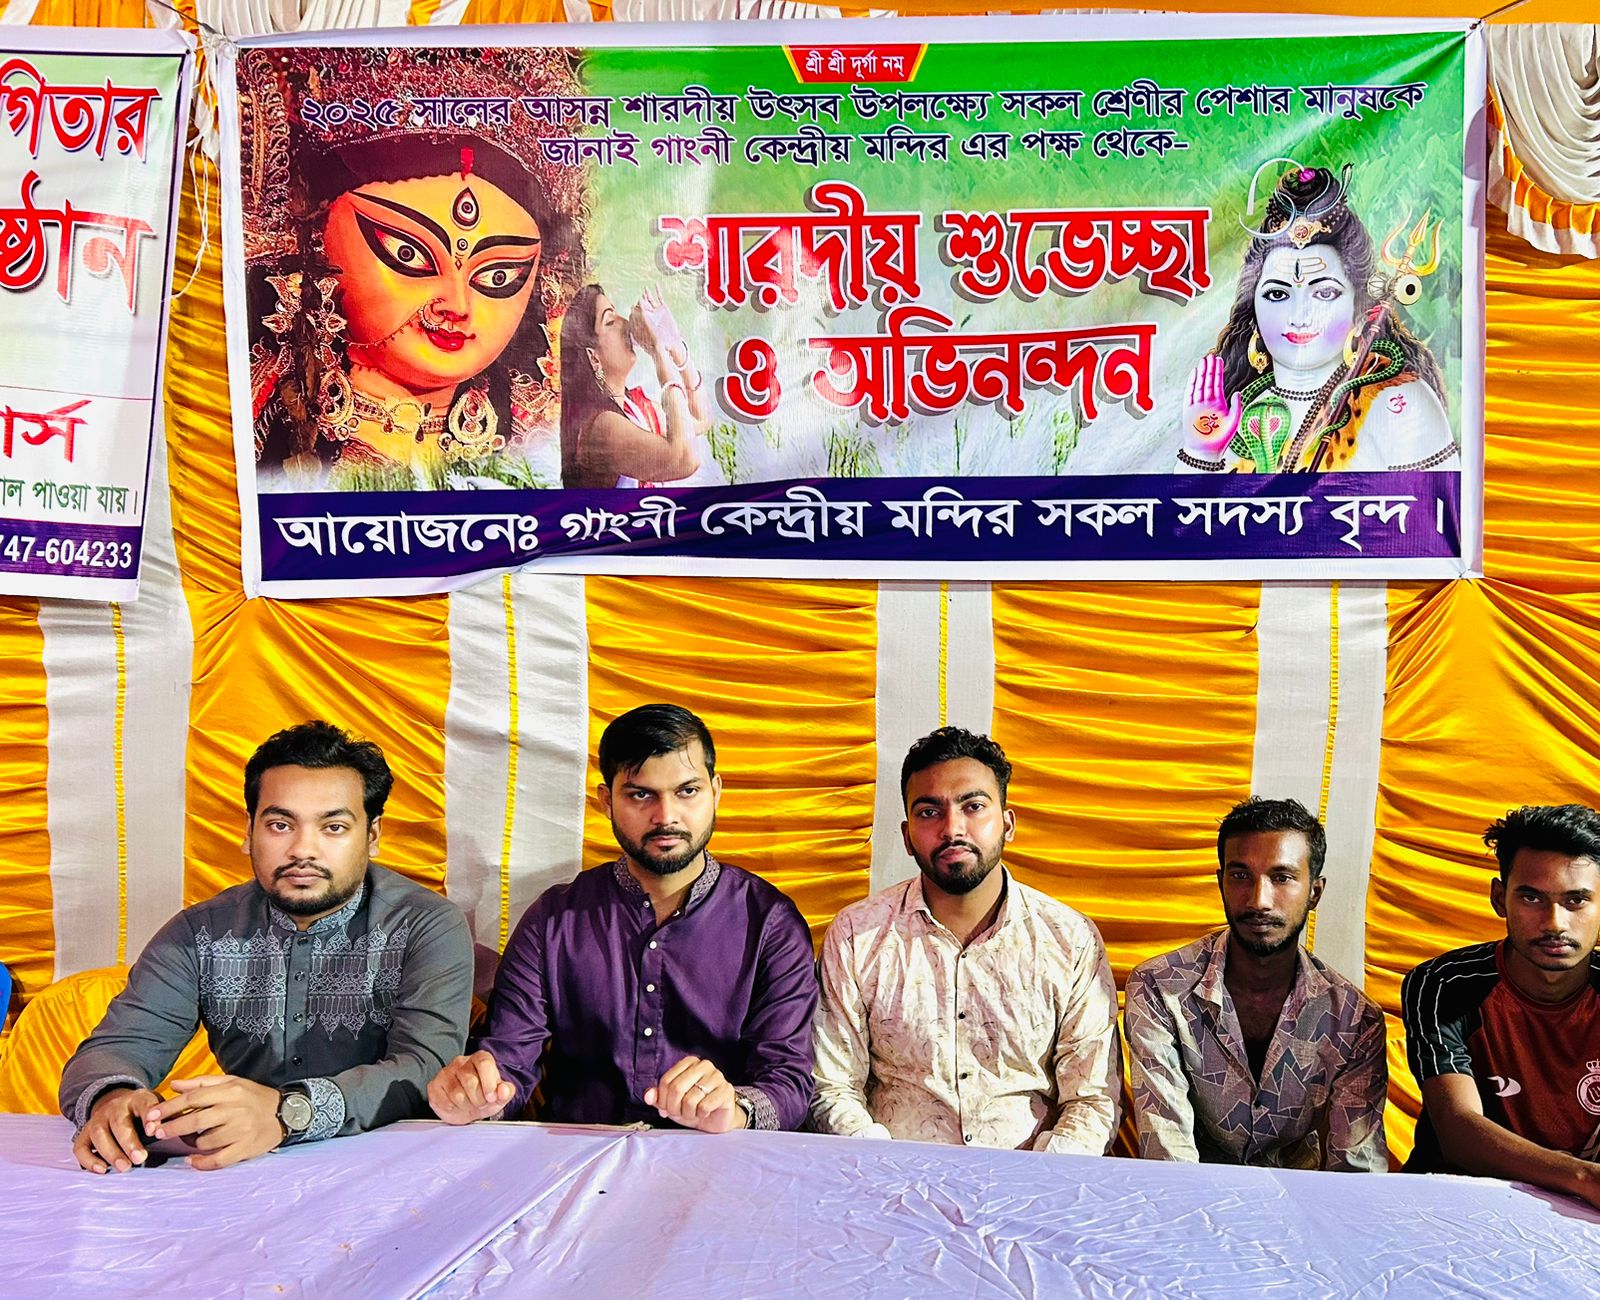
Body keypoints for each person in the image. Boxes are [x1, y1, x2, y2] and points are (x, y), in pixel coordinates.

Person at [60, 721, 473, 1173]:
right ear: (248, 831)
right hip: (244, 1171)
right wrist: (114, 1098)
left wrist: (288, 1111)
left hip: (393, 1168)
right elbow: (119, 1045)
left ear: (372, 836)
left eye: (334, 827)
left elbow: (425, 1066)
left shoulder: (425, 925)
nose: (303, 850)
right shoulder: (199, 933)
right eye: (280, 825)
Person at [428, 704, 817, 1133]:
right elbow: (509, 1064)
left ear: (716, 792)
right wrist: (474, 1096)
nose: (666, 816)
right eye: (640, 795)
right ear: (605, 801)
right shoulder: (553, 921)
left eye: (687, 791)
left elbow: (789, 1083)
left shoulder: (770, 924)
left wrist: (736, 1109)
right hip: (574, 1157)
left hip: (718, 1155)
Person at [241, 46, 587, 490]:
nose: (456, 305)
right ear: (315, 234)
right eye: (408, 255)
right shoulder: (258, 405)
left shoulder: (544, 428)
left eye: (497, 276)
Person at [810, 727, 1120, 1154]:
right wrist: (888, 1173)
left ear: (1007, 824)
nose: (952, 828)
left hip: (1033, 1181)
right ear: (906, 836)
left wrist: (1038, 1181)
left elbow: (1092, 1100)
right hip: (891, 1179)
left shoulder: (1070, 940)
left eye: (973, 806)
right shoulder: (856, 936)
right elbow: (832, 1087)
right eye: (929, 812)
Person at [1124, 797, 1388, 1171]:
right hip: (1190, 1194)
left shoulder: (1354, 1019)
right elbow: (1167, 1151)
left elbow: (1355, 1169)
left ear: (1314, 892)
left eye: (1282, 877)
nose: (1259, 900)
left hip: (1298, 1199)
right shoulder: (1160, 988)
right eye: (1240, 876)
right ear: (1220, 883)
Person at [1180, 161, 1458, 475]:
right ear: (1252, 306)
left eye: (1324, 293)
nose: (1300, 316)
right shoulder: (1233, 413)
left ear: (1359, 307)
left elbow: (1436, 505)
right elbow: (1182, 508)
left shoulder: (1396, 401)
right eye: (1277, 294)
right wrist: (1200, 453)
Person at [1402, 804, 1600, 1208]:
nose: (1555, 923)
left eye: (1577, 900)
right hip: (1453, 1202)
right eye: (1532, 897)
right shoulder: (1444, 984)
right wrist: (1582, 1176)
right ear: (1499, 898)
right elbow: (1459, 1131)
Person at [557, 283, 715, 489]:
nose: (625, 323)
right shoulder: (601, 426)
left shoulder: (635, 407)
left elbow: (700, 419)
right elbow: (684, 459)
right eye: (610, 321)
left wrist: (676, 346)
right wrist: (658, 352)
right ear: (593, 357)